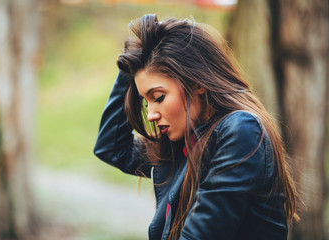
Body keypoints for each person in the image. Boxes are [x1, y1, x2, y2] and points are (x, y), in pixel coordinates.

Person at [94, 14, 298, 240]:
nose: (150, 114)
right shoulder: (183, 146)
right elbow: (112, 149)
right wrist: (136, 59)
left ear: (197, 82)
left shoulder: (241, 131)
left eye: (159, 97)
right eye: (146, 101)